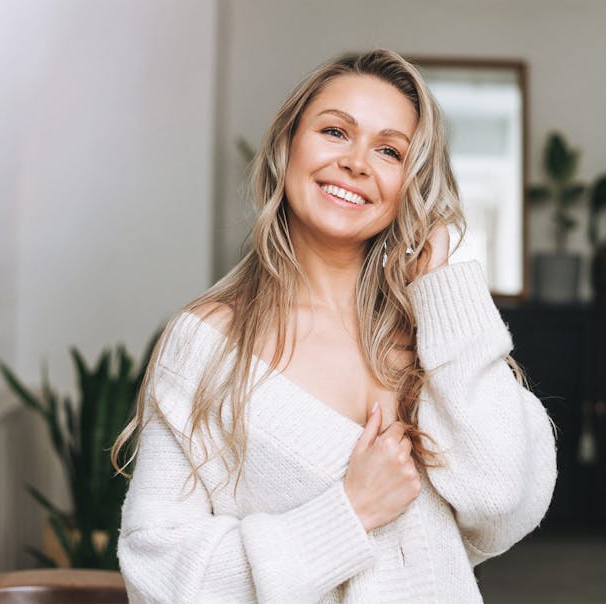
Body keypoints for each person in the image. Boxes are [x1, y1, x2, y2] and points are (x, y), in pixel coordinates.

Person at [111, 49, 557, 604]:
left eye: (390, 150)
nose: (357, 163)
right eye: (335, 132)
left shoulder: (435, 335)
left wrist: (442, 285)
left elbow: (498, 497)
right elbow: (156, 570)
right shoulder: (206, 343)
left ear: (409, 186)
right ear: (287, 146)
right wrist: (346, 513)